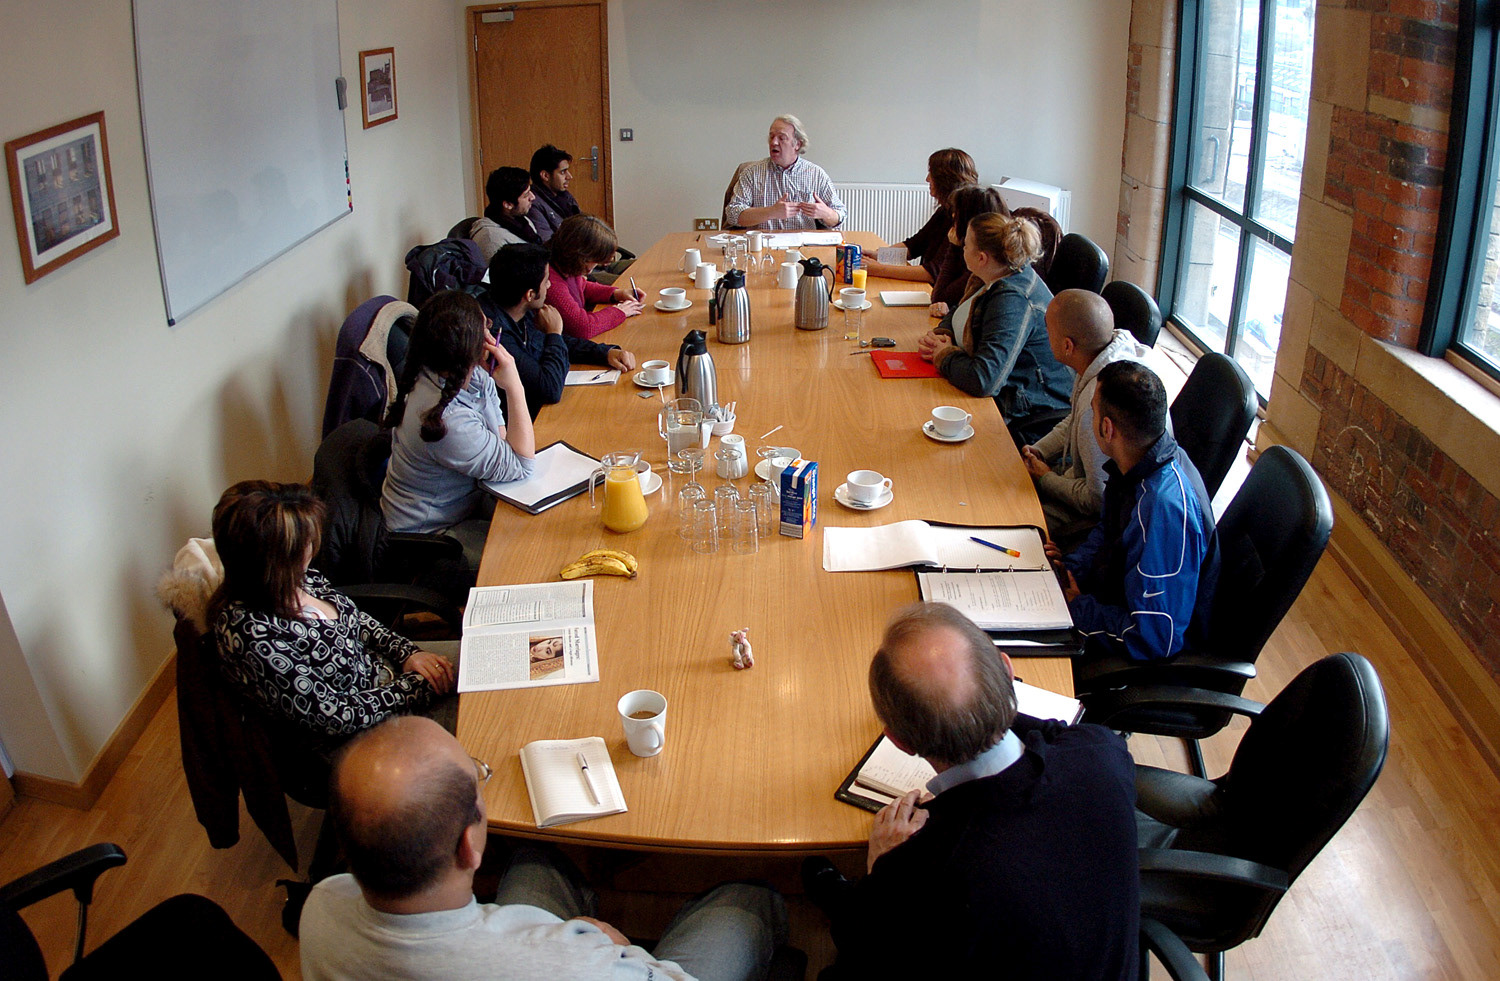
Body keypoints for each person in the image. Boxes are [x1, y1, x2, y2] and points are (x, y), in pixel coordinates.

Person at [301, 715, 788, 981]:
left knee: (537, 861)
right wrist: (611, 946)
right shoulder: (566, 966)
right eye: (479, 782)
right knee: (745, 902)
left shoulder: (321, 906)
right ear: (469, 847)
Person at [802, 602, 1139, 979]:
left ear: (898, 741)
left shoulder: (920, 870)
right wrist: (981, 706)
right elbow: (1055, 732)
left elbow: (863, 948)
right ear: (1008, 672)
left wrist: (879, 865)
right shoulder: (1101, 753)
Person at [209, 481, 455, 746]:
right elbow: (335, 715)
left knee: (489, 663)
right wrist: (416, 687)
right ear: (273, 560)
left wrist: (408, 653)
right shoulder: (253, 636)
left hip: (388, 681)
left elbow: (358, 621)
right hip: (366, 735)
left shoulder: (298, 579)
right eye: (304, 542)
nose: (312, 547)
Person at [1049, 360, 1218, 662]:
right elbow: (1109, 532)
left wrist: (1077, 608)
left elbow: (1154, 637)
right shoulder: (1138, 464)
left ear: (1106, 428)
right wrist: (1070, 568)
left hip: (1137, 661)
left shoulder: (1164, 510)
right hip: (1109, 604)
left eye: (1092, 412)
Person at [381, 290, 536, 570]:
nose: (490, 331)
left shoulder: (447, 372)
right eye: (485, 327)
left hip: (467, 502)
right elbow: (521, 465)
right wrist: (515, 386)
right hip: (430, 538)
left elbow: (501, 439)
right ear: (474, 345)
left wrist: (494, 382)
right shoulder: (448, 421)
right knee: (526, 561)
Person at [917, 212, 1073, 445]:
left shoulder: (1013, 298)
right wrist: (942, 335)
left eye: (966, 244)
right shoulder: (991, 275)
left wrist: (944, 355)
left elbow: (985, 379)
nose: (962, 247)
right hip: (1000, 399)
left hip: (1026, 415)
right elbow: (959, 312)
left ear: (981, 257)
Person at [1022, 289, 1155, 549]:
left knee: (1008, 519)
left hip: (1096, 519)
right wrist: (1040, 450)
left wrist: (1045, 477)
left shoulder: (1097, 405)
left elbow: (1097, 500)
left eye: (1048, 331)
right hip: (1080, 479)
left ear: (1067, 346)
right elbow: (1073, 420)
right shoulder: (1107, 354)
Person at [482, 243, 636, 419]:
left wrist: (605, 353)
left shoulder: (514, 307)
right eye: (546, 280)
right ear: (530, 295)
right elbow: (549, 389)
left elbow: (553, 343)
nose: (549, 285)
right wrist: (554, 333)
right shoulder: (494, 335)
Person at [858, 148, 978, 308]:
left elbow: (931, 272)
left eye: (931, 173)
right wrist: (879, 255)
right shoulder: (945, 210)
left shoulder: (965, 218)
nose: (927, 179)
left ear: (945, 179)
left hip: (943, 302)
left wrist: (879, 269)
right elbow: (914, 245)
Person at [724, 115, 846, 231]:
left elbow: (840, 215)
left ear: (797, 144)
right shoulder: (752, 173)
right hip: (763, 247)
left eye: (781, 138)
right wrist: (772, 212)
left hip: (803, 248)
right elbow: (733, 214)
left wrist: (826, 214)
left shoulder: (816, 174)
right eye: (771, 137)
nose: (774, 143)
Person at [547, 214, 644, 339]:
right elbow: (583, 327)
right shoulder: (549, 280)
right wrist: (620, 312)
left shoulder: (565, 265)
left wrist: (617, 294)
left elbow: (582, 287)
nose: (593, 267)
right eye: (595, 261)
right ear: (580, 255)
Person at [472, 167, 542, 261]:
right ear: (508, 204)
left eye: (530, 191)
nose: (533, 197)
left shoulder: (523, 221)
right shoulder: (491, 239)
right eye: (526, 195)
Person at [527, 144, 580, 243]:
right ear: (545, 175)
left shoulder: (565, 196)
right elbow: (547, 244)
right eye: (563, 172)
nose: (569, 177)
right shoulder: (533, 204)